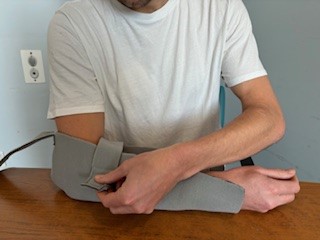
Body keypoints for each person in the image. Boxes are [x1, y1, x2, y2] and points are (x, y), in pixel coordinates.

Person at [47, 0, 300, 214]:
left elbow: (269, 118)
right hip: (118, 204)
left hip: (198, 181)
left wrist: (175, 164)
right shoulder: (73, 22)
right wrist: (224, 191)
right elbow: (82, 172)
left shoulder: (221, 7)